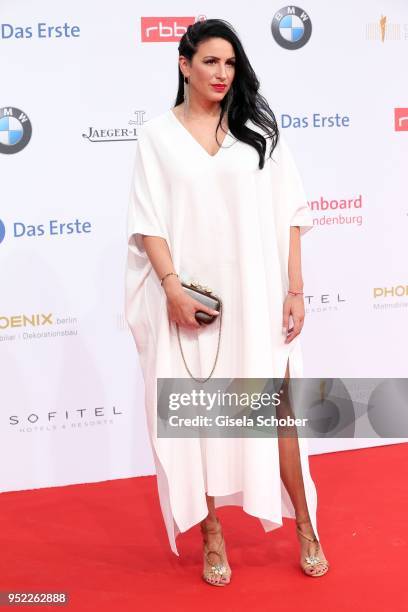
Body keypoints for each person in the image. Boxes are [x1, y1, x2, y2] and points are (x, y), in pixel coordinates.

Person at [125, 18, 329, 586]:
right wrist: (170, 290)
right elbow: (148, 223)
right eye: (211, 61)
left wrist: (294, 290)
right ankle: (212, 534)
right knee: (203, 418)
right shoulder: (156, 137)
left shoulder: (257, 132)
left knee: (277, 414)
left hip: (260, 297)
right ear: (184, 64)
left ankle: (306, 526)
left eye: (230, 63)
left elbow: (291, 214)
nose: (221, 73)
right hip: (195, 304)